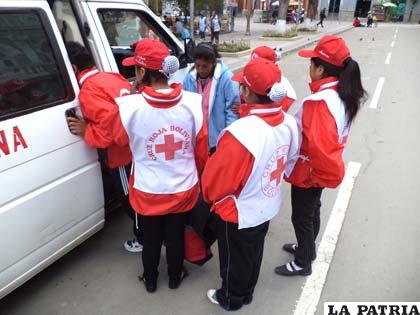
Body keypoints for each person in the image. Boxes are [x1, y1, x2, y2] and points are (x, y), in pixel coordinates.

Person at [108, 39, 208, 293]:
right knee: (175, 233)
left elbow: (118, 140)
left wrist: (130, 98)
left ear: (141, 72)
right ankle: (175, 276)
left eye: (135, 69)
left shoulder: (129, 107)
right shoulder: (193, 102)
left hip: (147, 187)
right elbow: (201, 149)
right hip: (183, 186)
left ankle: (150, 279)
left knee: (151, 235)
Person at [202, 57, 300, 311]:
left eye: (241, 87)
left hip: (238, 210)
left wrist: (210, 196)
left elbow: (215, 183)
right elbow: (290, 158)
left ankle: (231, 298)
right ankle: (247, 293)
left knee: (234, 257)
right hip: (267, 203)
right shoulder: (289, 122)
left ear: (245, 91)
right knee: (254, 252)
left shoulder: (242, 132)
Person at [275, 35, 367, 276]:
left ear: (321, 69)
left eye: (311, 63)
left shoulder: (320, 102)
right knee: (312, 210)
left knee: (301, 217)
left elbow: (321, 148)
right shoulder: (342, 94)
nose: (309, 67)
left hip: (310, 171)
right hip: (317, 171)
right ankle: (307, 249)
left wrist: (320, 176)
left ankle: (303, 261)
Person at [65, 42, 143, 253]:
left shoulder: (88, 92)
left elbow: (111, 132)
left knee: (130, 198)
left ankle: (144, 237)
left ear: (72, 69)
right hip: (138, 148)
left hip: (122, 154)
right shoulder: (112, 76)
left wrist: (85, 130)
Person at [183, 42, 240, 153]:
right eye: (197, 65)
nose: (201, 70)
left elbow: (232, 111)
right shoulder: (188, 78)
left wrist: (228, 138)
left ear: (213, 63)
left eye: (205, 66)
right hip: (196, 137)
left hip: (218, 139)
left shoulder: (227, 78)